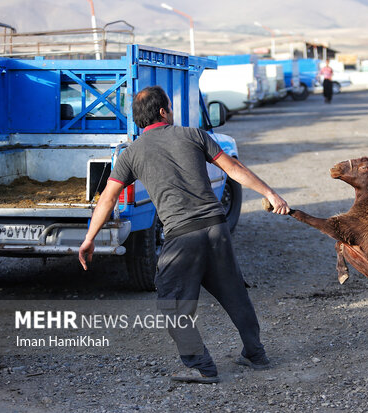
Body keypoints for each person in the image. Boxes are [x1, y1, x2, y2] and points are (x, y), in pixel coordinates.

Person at [78, 85, 289, 384]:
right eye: (170, 108)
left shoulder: (131, 154)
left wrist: (89, 238)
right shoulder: (194, 135)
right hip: (217, 226)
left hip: (182, 234)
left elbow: (108, 198)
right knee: (233, 292)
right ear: (163, 111)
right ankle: (255, 354)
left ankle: (201, 366)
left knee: (171, 302)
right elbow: (233, 168)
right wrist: (270, 193)